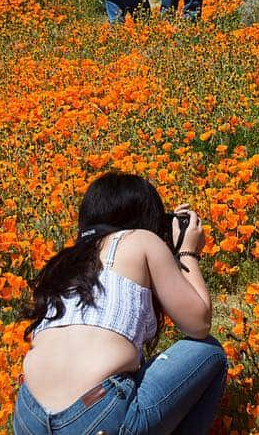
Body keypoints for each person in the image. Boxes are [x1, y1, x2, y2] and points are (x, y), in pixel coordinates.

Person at [13, 172, 226, 435]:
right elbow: (198, 323)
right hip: (95, 417)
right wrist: (186, 252)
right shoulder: (140, 239)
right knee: (209, 352)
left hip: (28, 417)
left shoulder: (67, 262)